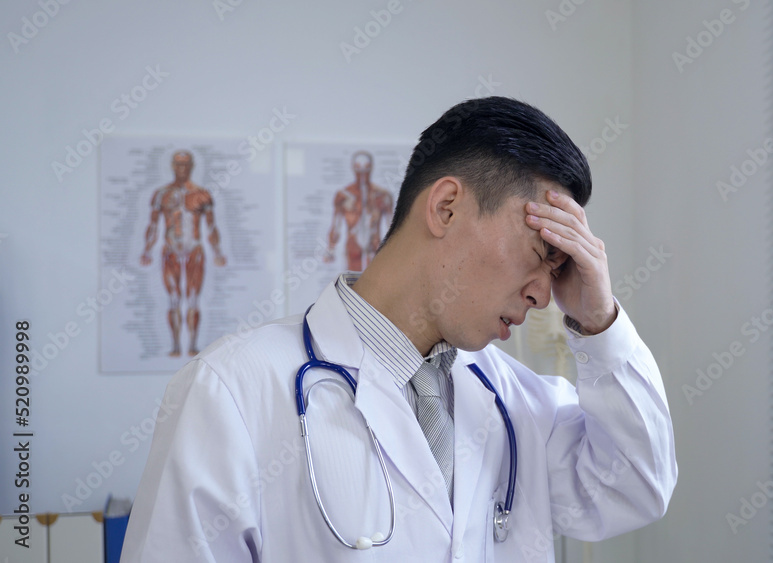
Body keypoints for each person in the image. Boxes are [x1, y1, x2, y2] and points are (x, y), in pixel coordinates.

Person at [122, 97, 677, 562]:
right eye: (540, 253)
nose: (543, 296)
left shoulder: (515, 402)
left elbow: (634, 487)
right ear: (447, 207)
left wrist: (598, 323)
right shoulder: (231, 391)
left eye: (558, 270)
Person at [139, 150, 227, 357]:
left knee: (193, 299)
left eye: (186, 164)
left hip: (194, 250)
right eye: (178, 164)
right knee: (174, 299)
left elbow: (211, 226)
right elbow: (153, 225)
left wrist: (217, 252)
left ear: (192, 166)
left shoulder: (202, 194)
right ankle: (176, 346)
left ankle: (193, 345)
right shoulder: (161, 194)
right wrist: (147, 250)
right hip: (170, 251)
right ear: (172, 166)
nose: (182, 169)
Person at [323, 150, 395, 271]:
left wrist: (396, 252)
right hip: (353, 248)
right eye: (358, 169)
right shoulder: (343, 196)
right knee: (354, 278)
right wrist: (330, 249)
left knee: (374, 279)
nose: (362, 174)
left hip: (374, 248)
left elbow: (392, 226)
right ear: (353, 168)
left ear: (371, 168)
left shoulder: (382, 196)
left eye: (366, 169)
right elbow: (336, 225)